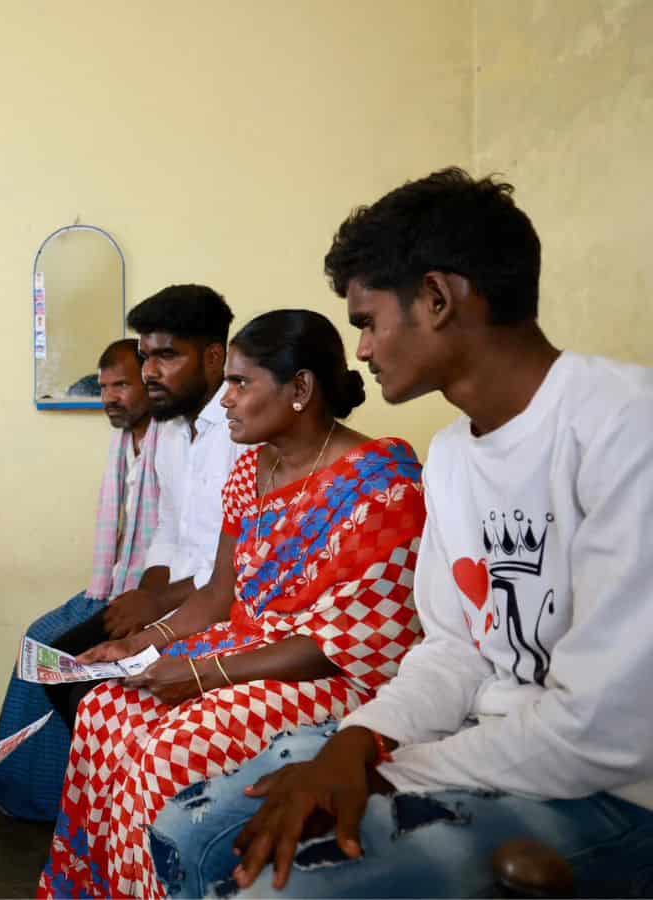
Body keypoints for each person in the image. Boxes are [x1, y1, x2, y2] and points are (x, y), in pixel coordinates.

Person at [150, 169, 653, 899]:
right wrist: (358, 738)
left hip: (613, 792)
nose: (359, 350)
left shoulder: (621, 428)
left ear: (438, 299)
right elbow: (453, 648)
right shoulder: (451, 455)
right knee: (190, 831)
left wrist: (380, 767)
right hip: (477, 749)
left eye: (366, 320)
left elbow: (602, 734)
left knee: (273, 887)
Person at [38, 310, 426, 898]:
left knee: (167, 751)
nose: (226, 401)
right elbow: (221, 594)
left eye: (241, 383)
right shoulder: (252, 469)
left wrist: (201, 675)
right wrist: (138, 645)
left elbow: (349, 643)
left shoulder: (382, 482)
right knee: (105, 709)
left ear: (300, 388)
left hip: (330, 672)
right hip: (243, 650)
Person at [40, 285, 242, 734]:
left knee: (88, 694)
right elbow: (168, 530)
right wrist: (145, 599)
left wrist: (158, 604)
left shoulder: (243, 429)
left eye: (167, 356)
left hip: (219, 608)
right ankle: (105, 791)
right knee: (59, 668)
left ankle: (139, 790)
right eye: (146, 356)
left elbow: (239, 562)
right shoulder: (168, 431)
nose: (151, 371)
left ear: (213, 358)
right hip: (171, 598)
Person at [0, 338, 159, 822]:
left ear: (152, 381)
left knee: (56, 653)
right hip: (117, 584)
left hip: (156, 597)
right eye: (103, 387)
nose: (109, 398)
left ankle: (61, 800)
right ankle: (25, 787)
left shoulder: (176, 441)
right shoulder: (128, 443)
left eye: (122, 384)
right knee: (35, 640)